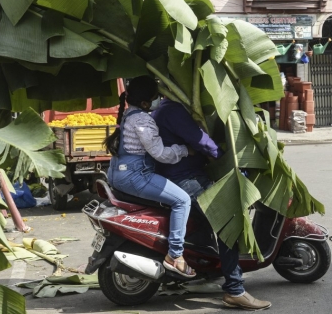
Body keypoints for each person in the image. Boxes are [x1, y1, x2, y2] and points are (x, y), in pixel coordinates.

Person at [152, 98, 272, 311]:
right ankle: (235, 290)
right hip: (185, 179)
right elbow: (200, 140)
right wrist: (226, 159)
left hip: (184, 176)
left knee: (206, 223)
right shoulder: (173, 111)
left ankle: (204, 272)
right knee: (227, 223)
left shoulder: (166, 108)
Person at [104, 76, 196, 278]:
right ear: (145, 103)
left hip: (117, 175)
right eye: (156, 97)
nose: (159, 101)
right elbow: (161, 154)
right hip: (135, 176)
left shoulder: (129, 114)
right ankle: (175, 256)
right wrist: (185, 150)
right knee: (182, 200)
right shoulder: (143, 119)